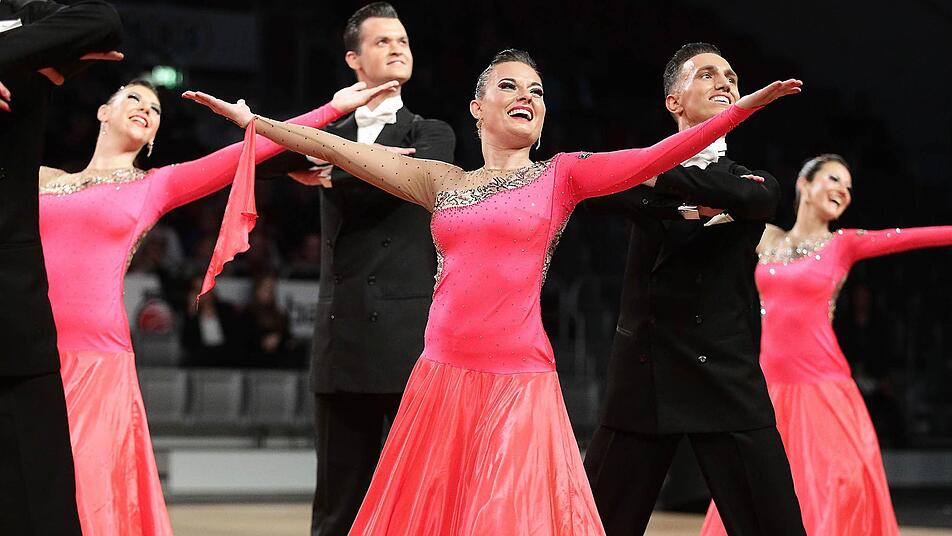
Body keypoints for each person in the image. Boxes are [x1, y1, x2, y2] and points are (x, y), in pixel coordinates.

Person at [185, 47, 800, 535]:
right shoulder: (441, 181)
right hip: (440, 383)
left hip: (520, 384)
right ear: (477, 108)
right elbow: (338, 150)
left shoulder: (562, 175)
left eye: (537, 90)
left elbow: (655, 157)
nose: (527, 96)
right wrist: (256, 123)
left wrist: (738, 112)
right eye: (510, 86)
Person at [37, 77, 397, 535]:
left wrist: (331, 107)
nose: (146, 109)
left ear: (154, 136)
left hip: (96, 359)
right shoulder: (43, 178)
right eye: (133, 98)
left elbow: (247, 152)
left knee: (85, 490)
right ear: (103, 112)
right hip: (29, 349)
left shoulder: (154, 185)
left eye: (156, 109)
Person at [583, 43, 806, 536]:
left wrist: (658, 179)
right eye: (707, 74)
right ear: (674, 101)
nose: (725, 81)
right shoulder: (635, 172)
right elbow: (603, 190)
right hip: (645, 372)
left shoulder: (749, 179)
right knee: (596, 525)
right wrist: (680, 196)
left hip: (724, 371)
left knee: (775, 524)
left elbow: (755, 198)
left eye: (731, 76)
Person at [255, 4, 456, 532]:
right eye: (382, 41)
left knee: (419, 500)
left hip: (408, 341)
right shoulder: (333, 129)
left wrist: (330, 165)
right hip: (341, 337)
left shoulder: (433, 132)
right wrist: (328, 115)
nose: (397, 49)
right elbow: (258, 157)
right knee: (336, 508)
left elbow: (411, 175)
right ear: (353, 60)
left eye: (403, 41)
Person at [700, 154, 952, 535]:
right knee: (758, 488)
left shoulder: (843, 244)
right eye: (834, 179)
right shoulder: (765, 236)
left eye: (849, 187)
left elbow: (909, 237)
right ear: (804, 184)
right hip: (770, 390)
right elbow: (708, 215)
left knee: (833, 488)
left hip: (825, 390)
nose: (844, 191)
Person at [0, 1, 121, 533]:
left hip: (12, 304)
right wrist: (35, 60)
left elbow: (102, 20)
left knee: (40, 501)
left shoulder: (22, 16)